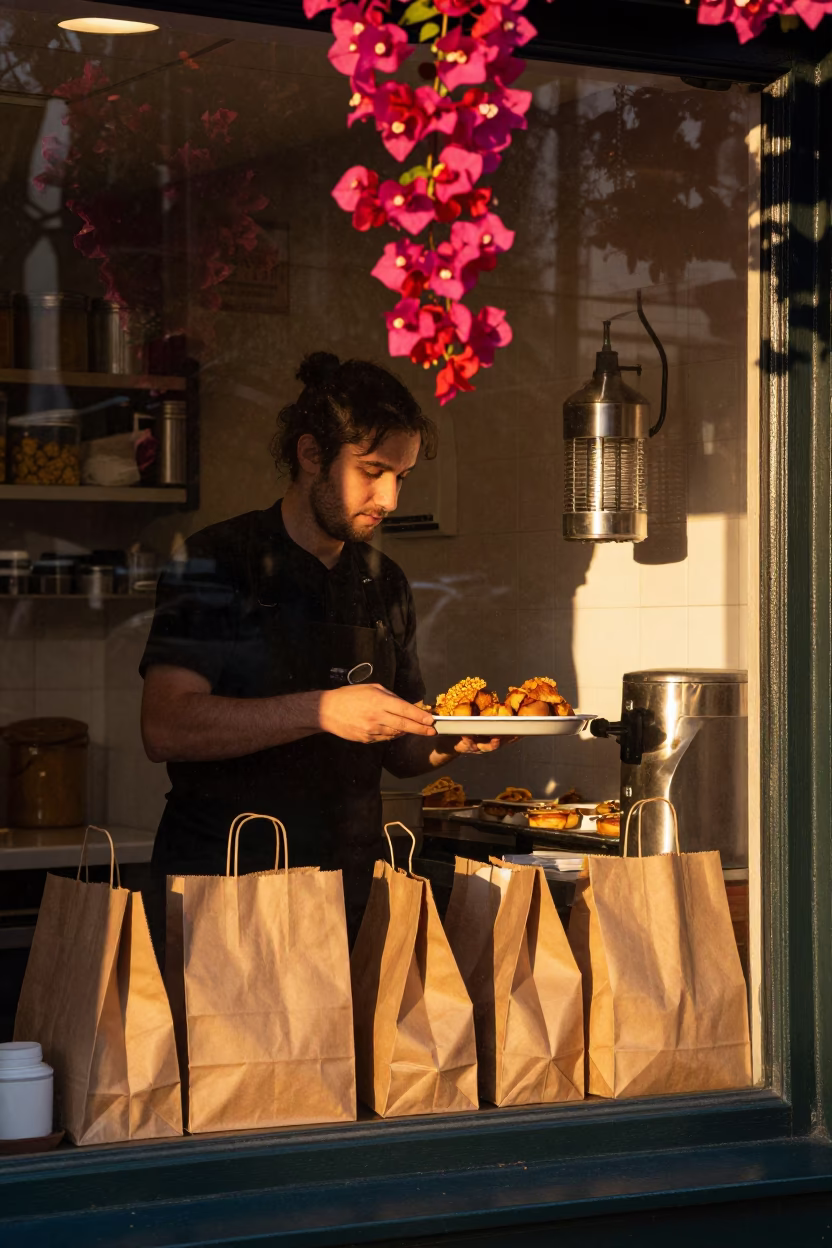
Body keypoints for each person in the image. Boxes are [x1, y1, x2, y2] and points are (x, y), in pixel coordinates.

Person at [140, 351, 503, 945]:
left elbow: (400, 755)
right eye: (373, 470)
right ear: (311, 455)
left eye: (401, 477)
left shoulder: (385, 582)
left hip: (350, 894)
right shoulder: (218, 561)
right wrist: (324, 711)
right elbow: (165, 726)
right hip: (226, 889)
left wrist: (447, 739)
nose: (389, 499)